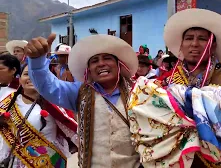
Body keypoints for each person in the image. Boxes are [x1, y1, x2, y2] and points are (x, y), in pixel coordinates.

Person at [129, 9, 221, 167]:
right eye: (189, 38)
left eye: (202, 39)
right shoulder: (166, 80)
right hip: (176, 157)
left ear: (212, 46)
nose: (194, 44)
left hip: (217, 158)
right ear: (181, 45)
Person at [25, 34, 140, 168]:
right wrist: (37, 61)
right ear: (89, 70)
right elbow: (47, 86)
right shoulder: (79, 92)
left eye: (107, 58)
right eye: (94, 61)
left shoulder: (140, 93)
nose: (101, 63)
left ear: (119, 65)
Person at [0, 65, 77, 168]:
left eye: (37, 74)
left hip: (45, 163)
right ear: (20, 79)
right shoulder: (8, 101)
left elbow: (74, 132)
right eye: (26, 74)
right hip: (13, 162)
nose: (31, 77)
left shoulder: (54, 104)